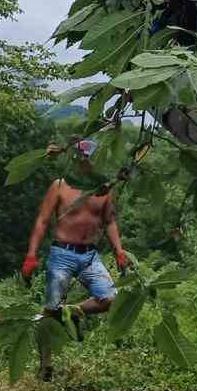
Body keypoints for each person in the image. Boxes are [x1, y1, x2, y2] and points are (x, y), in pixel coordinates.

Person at [22, 139, 129, 366]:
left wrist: (119, 251)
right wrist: (31, 255)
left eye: (90, 157)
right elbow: (42, 221)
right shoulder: (61, 185)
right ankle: (45, 365)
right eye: (82, 157)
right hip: (62, 252)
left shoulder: (103, 189)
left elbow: (109, 221)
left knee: (109, 299)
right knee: (51, 308)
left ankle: (71, 311)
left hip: (90, 255)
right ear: (75, 159)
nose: (85, 161)